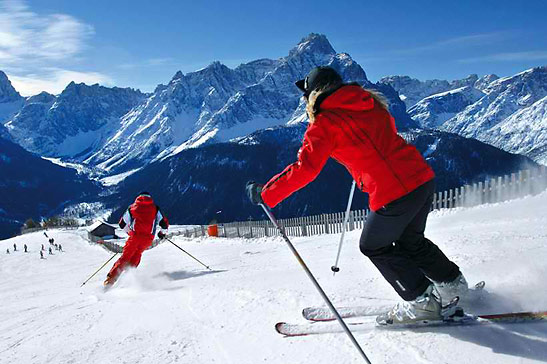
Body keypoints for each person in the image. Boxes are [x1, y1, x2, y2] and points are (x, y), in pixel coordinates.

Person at [246, 66, 468, 325]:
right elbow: (378, 140)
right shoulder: (371, 104)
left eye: (305, 95)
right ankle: (454, 285)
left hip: (393, 191)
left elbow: (306, 169)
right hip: (420, 178)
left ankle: (422, 303)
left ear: (314, 94)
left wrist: (266, 193)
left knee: (373, 246)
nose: (304, 101)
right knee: (411, 241)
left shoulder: (324, 124)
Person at [104, 192, 169, 287]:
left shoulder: (132, 208)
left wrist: (130, 233)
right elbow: (164, 224)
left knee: (125, 257)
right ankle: (129, 277)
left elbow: (122, 223)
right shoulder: (155, 208)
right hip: (148, 239)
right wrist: (161, 233)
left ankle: (110, 280)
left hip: (135, 237)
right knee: (137, 254)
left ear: (138, 197)